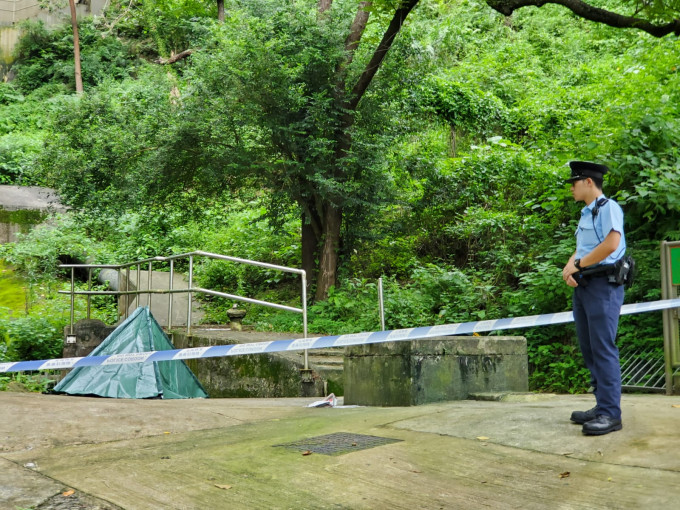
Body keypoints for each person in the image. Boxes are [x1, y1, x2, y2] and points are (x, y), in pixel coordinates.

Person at [561, 161, 626, 436]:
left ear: (589, 182)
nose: (571, 188)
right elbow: (581, 248)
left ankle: (611, 413)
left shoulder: (608, 207)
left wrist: (580, 264)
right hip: (585, 287)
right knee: (589, 349)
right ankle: (602, 406)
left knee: (602, 348)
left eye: (574, 183)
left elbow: (611, 244)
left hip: (603, 286)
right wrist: (569, 268)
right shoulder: (587, 213)